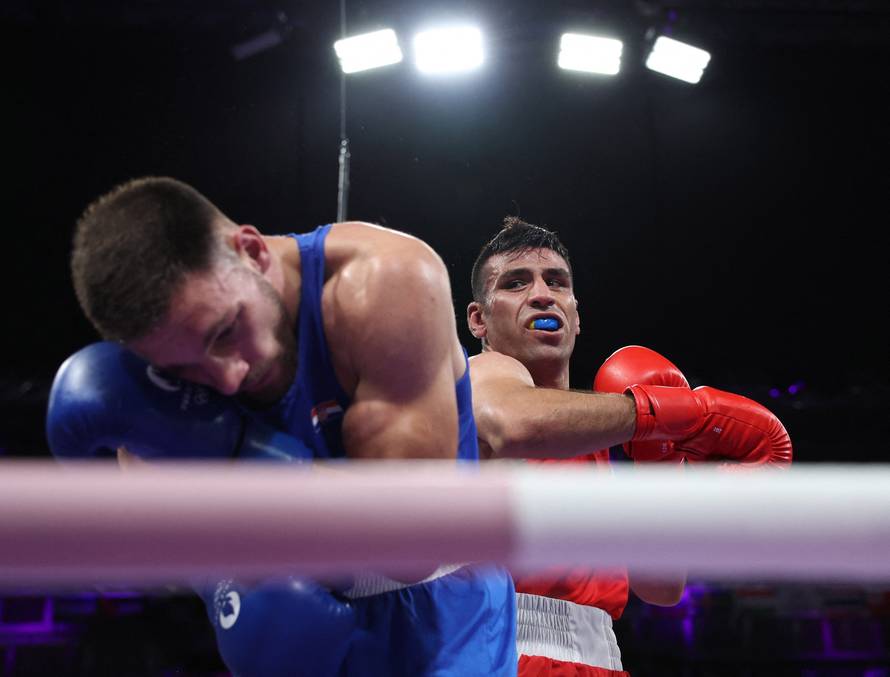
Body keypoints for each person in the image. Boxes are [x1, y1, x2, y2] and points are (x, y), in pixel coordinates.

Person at [57, 176, 517, 676]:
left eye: (225, 332)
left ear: (251, 251)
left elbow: (411, 546)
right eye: (184, 371)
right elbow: (140, 551)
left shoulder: (383, 284)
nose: (225, 378)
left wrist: (238, 452)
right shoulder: (163, 359)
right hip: (291, 630)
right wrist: (223, 587)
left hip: (438, 626)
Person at [465, 217, 792, 677]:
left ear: (576, 316)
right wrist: (675, 414)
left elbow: (660, 585)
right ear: (479, 318)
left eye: (556, 282)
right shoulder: (484, 377)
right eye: (516, 283)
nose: (542, 294)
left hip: (599, 657)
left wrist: (661, 457)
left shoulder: (604, 430)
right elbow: (511, 422)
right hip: (496, 651)